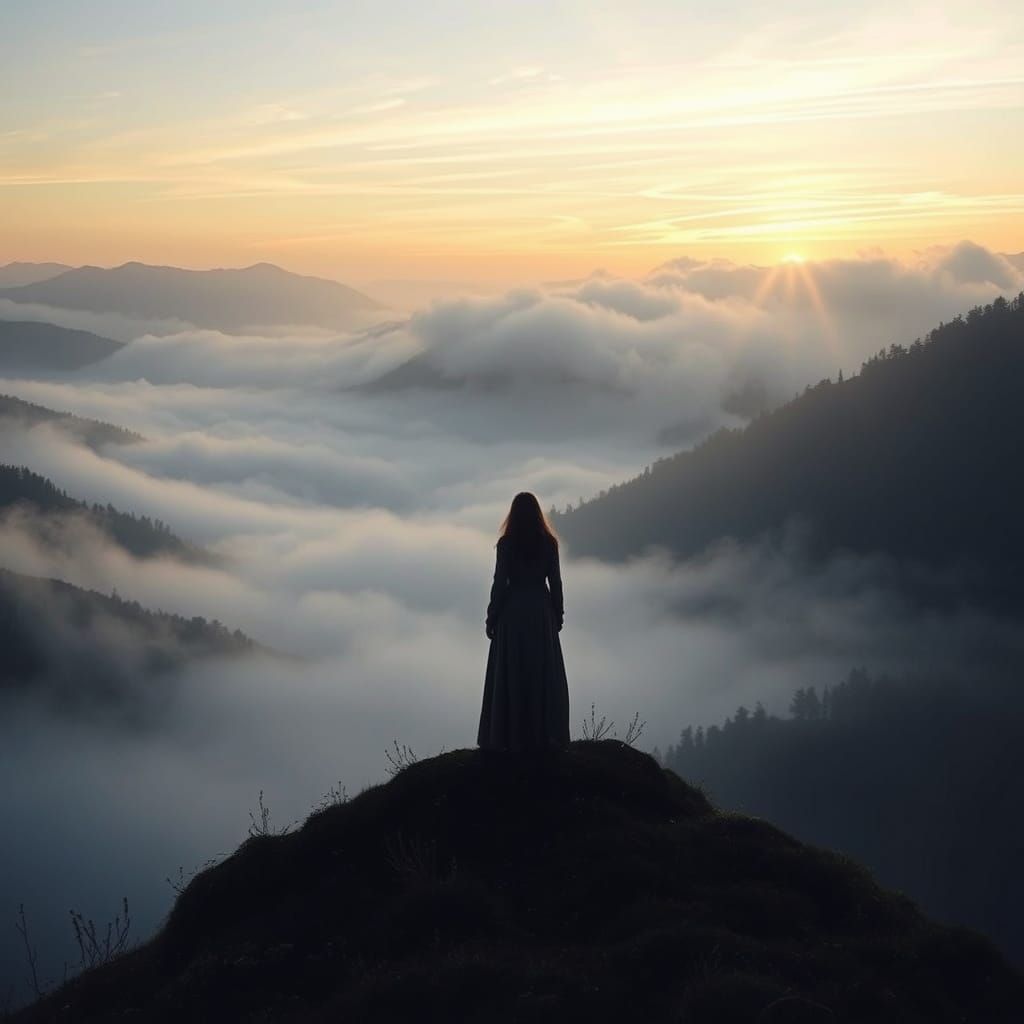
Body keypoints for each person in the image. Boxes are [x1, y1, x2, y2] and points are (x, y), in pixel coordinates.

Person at [477, 492, 570, 751]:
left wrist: (492, 616)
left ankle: (510, 735)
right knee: (542, 674)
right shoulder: (549, 544)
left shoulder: (507, 544)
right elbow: (556, 583)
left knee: (512, 673)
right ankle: (545, 735)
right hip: (541, 614)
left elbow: (499, 583)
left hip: (513, 614)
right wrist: (558, 614)